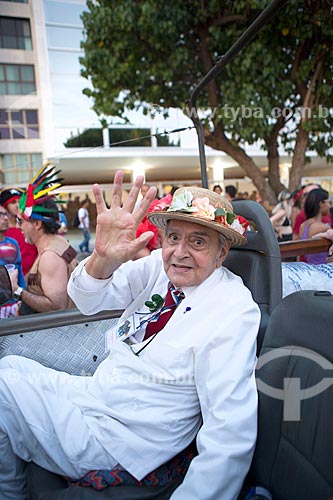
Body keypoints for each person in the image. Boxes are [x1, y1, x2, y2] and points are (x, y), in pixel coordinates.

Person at [0, 170, 260, 499]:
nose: (179, 251)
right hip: (97, 393)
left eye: (197, 241)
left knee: (2, 389)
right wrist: (102, 260)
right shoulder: (157, 267)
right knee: (9, 364)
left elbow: (229, 432)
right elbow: (87, 299)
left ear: (222, 253)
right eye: (173, 237)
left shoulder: (233, 310)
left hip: (121, 438)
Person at [9, 166, 78, 314]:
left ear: (37, 224)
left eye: (21, 221)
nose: (18, 226)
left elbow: (56, 306)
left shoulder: (50, 256)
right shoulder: (55, 242)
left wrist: (17, 291)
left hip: (59, 333)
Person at [0, 187, 38, 275]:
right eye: (13, 202)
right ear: (5, 207)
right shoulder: (2, 232)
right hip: (14, 278)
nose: (18, 205)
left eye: (19, 201)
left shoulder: (30, 225)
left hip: (35, 274)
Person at [0, 204, 25, 318]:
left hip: (15, 306)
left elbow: (19, 270)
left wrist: (22, 299)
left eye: (5, 214)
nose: (5, 218)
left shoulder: (13, 243)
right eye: (0, 215)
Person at [299, 188, 331, 264]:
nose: (330, 206)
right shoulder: (324, 228)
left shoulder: (303, 226)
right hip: (322, 270)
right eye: (329, 202)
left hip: (307, 269)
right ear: (321, 204)